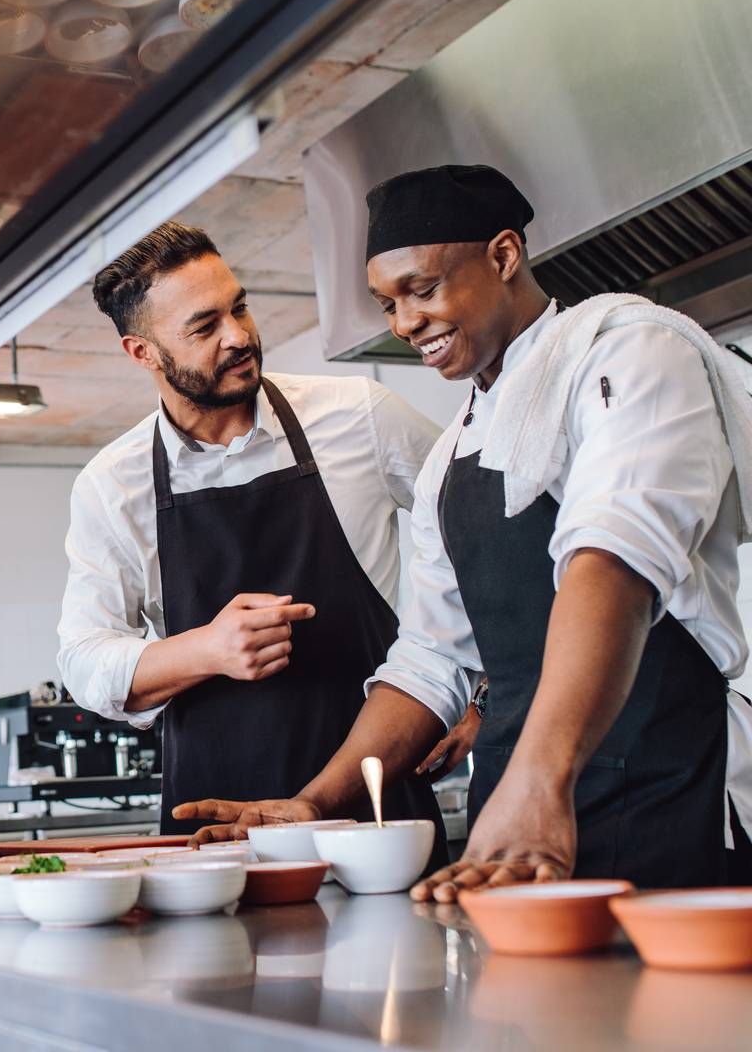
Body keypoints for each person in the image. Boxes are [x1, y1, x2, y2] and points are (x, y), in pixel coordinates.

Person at [175, 165, 752, 895]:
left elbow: (614, 560)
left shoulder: (627, 352)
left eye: (422, 289)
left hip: (668, 793)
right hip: (513, 832)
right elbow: (430, 662)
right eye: (388, 304)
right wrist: (315, 803)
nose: (405, 323)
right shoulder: (449, 459)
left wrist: (541, 781)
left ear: (504, 256)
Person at [56, 221, 447, 851]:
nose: (239, 336)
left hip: (376, 812)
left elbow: (484, 538)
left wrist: (479, 693)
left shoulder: (360, 416)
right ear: (143, 353)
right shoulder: (112, 484)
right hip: (216, 831)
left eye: (238, 307)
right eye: (204, 327)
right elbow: (83, 661)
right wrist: (207, 650)